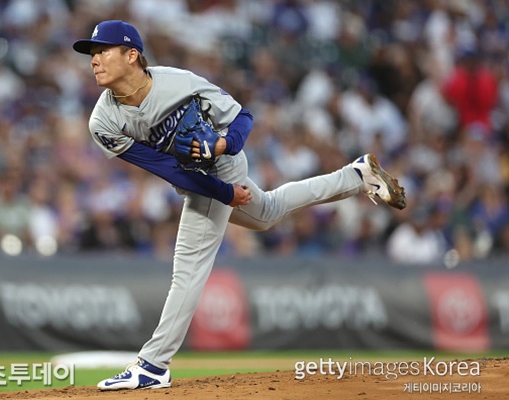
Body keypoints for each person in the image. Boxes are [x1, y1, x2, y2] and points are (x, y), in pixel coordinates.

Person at [72, 20, 406, 391]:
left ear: (131, 55)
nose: (94, 60)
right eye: (92, 53)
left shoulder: (178, 83)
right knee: (267, 213)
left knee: (189, 266)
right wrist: (225, 194)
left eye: (102, 51)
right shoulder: (103, 121)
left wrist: (222, 146)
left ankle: (153, 364)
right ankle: (356, 176)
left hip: (224, 165)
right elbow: (166, 168)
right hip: (200, 179)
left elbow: (243, 118)